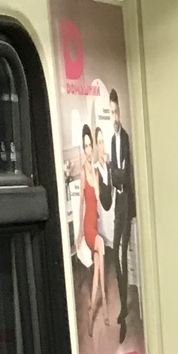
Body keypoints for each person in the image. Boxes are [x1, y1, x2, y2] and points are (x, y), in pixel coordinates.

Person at [108, 85, 135, 343]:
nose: (114, 117)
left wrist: (115, 173)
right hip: (118, 202)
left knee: (122, 252)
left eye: (116, 112)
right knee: (115, 253)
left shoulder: (124, 138)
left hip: (126, 202)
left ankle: (125, 312)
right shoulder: (112, 139)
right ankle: (123, 306)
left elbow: (123, 176)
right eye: (111, 112)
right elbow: (115, 178)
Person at [79, 122, 107, 335]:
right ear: (83, 148)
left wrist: (98, 171)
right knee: (101, 249)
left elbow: (98, 199)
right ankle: (103, 305)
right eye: (86, 146)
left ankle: (96, 307)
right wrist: (80, 232)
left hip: (95, 225)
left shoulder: (95, 173)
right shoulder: (82, 172)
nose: (89, 149)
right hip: (89, 229)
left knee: (99, 265)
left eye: (91, 146)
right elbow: (81, 203)